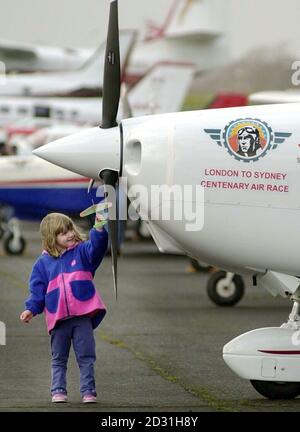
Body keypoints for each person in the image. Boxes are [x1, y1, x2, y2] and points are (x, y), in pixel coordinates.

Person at [20, 212, 108, 404]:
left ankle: (88, 391)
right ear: (52, 239)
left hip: (82, 316)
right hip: (58, 320)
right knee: (59, 358)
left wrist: (99, 227)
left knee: (86, 356)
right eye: (62, 233)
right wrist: (31, 309)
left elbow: (98, 248)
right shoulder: (42, 264)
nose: (69, 234)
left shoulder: (83, 252)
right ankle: (58, 390)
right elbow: (37, 291)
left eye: (69, 229)